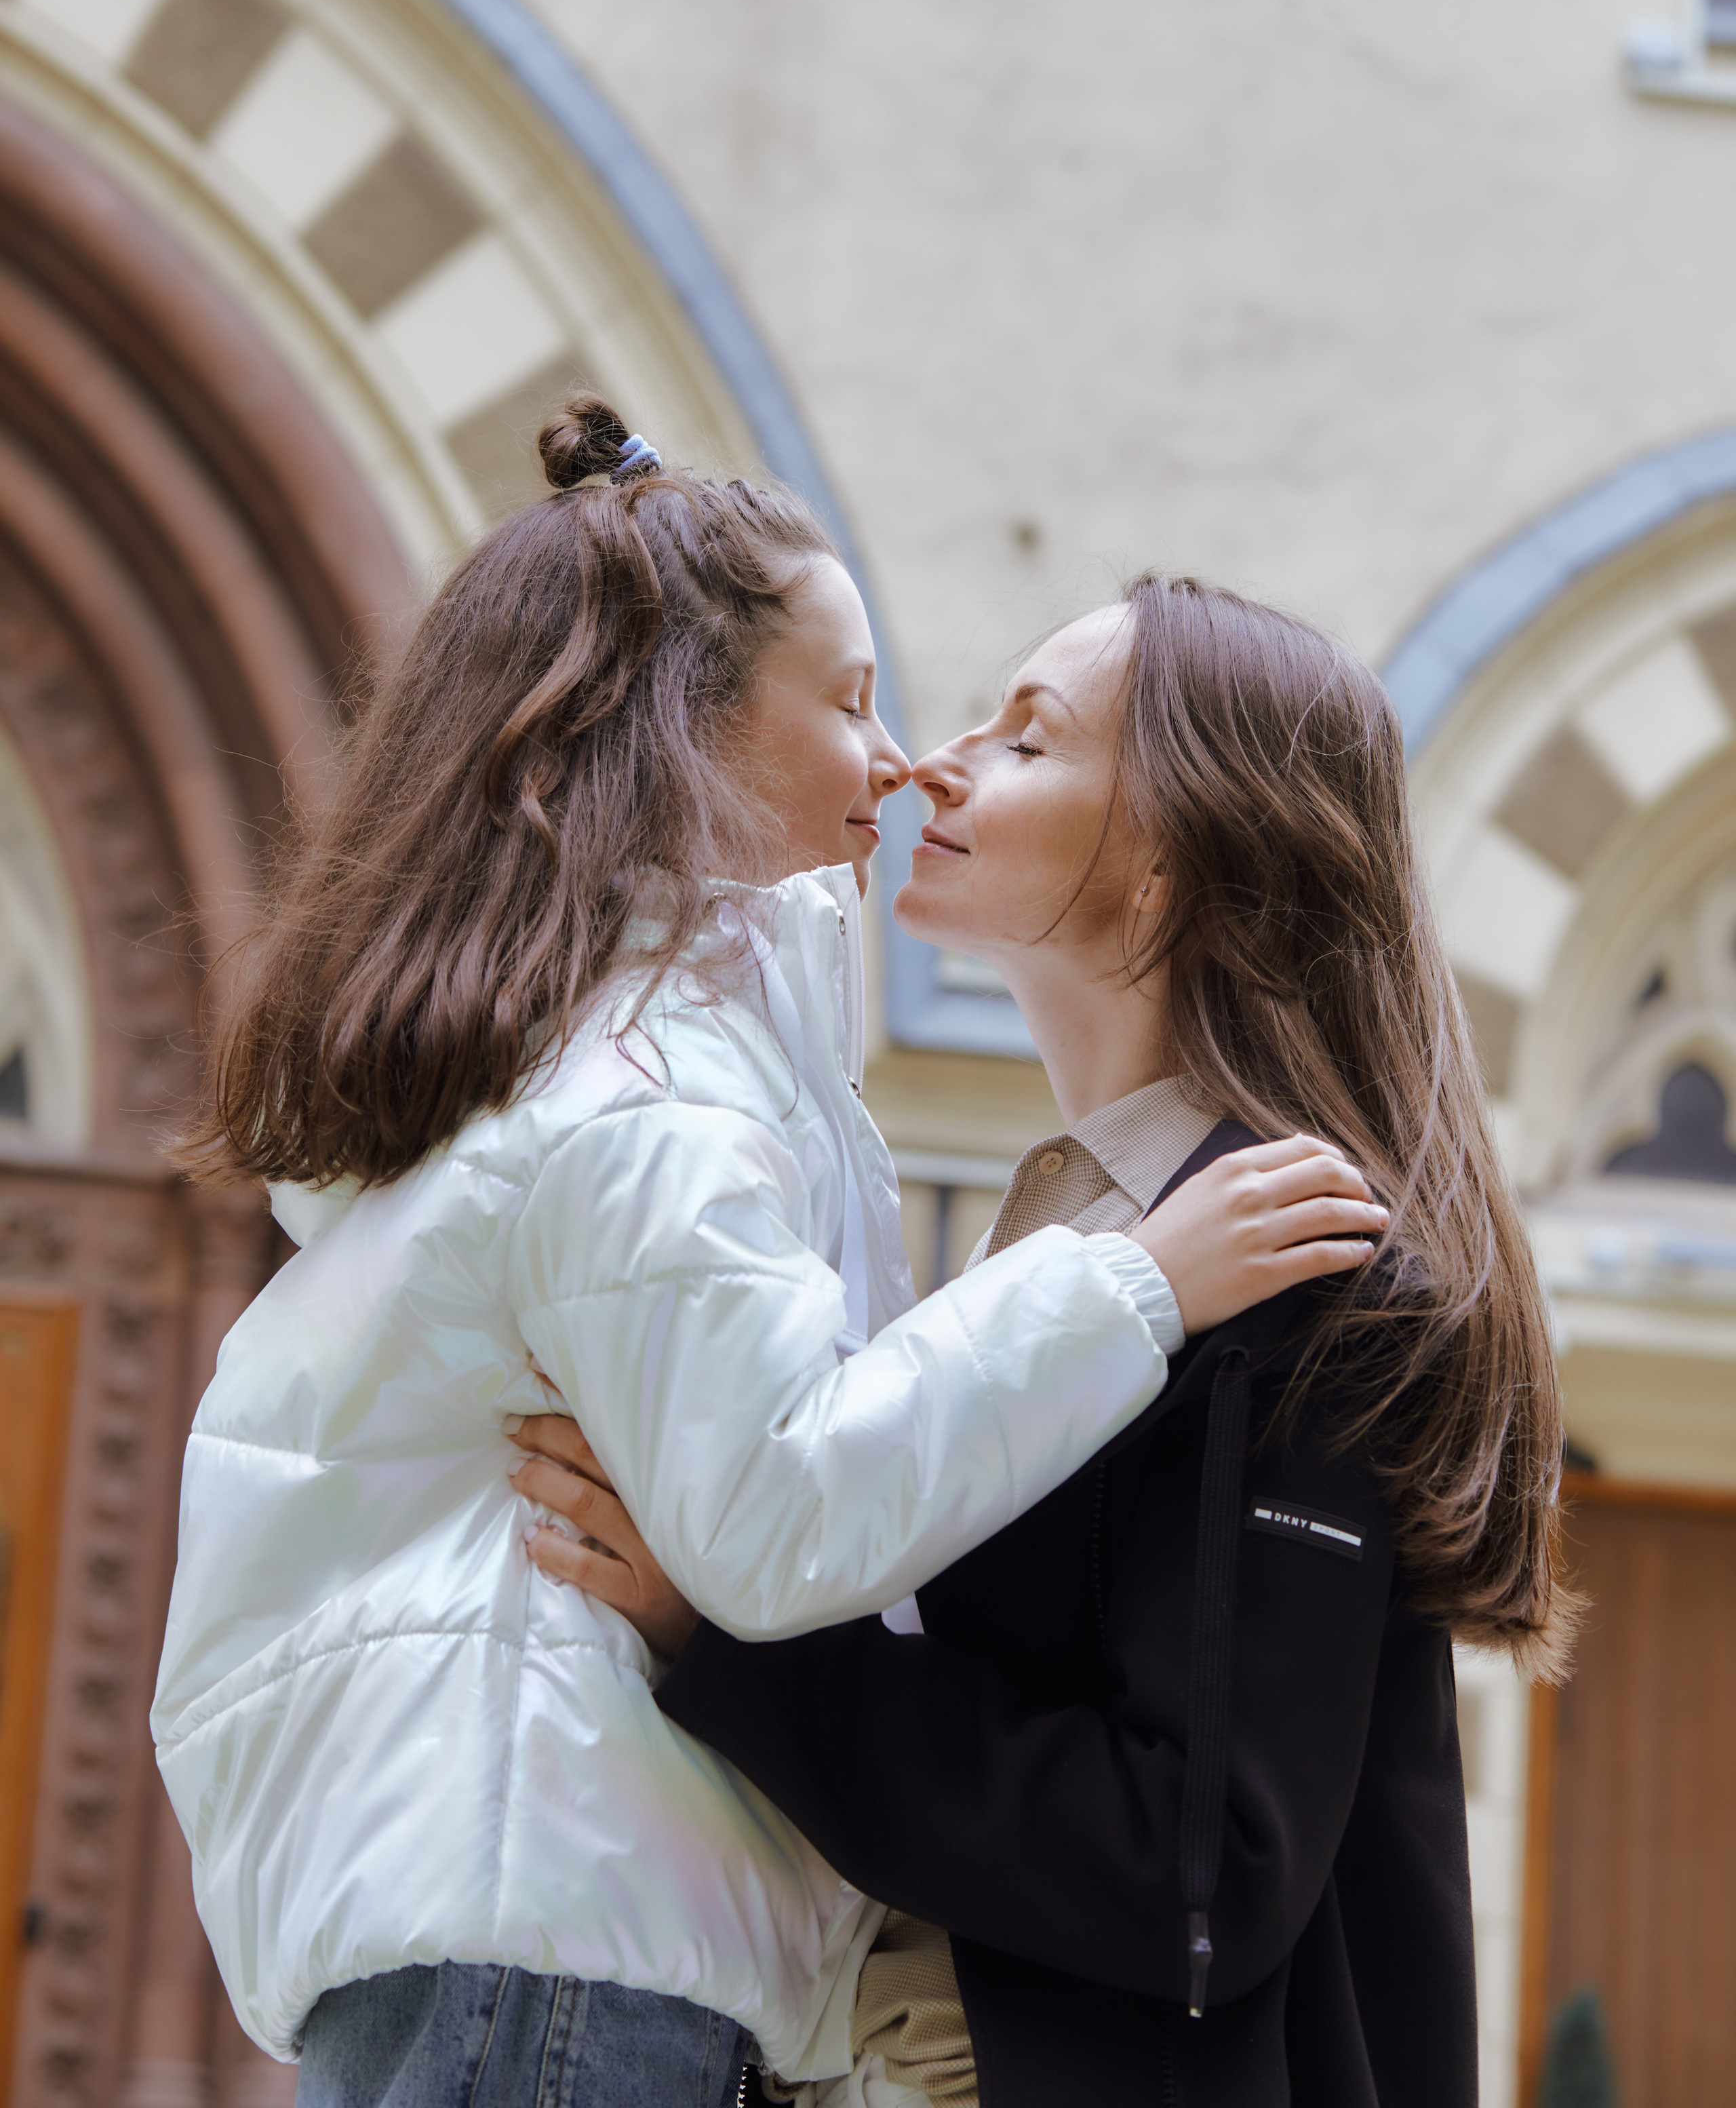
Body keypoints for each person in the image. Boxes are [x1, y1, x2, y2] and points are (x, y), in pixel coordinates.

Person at [150, 404, 1380, 2108]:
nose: (907, 761)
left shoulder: (636, 1066)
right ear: (682, 729)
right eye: (854, 701)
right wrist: (1136, 1286)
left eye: (1013, 735)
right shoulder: (652, 1095)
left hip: (525, 1931)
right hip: (558, 1945)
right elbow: (783, 1513)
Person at [519, 572, 1574, 2108]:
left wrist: (737, 1649)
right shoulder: (1077, 1249)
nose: (933, 763)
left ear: (1167, 869)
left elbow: (1204, 1868)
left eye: (1028, 740)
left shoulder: (1300, 1277)